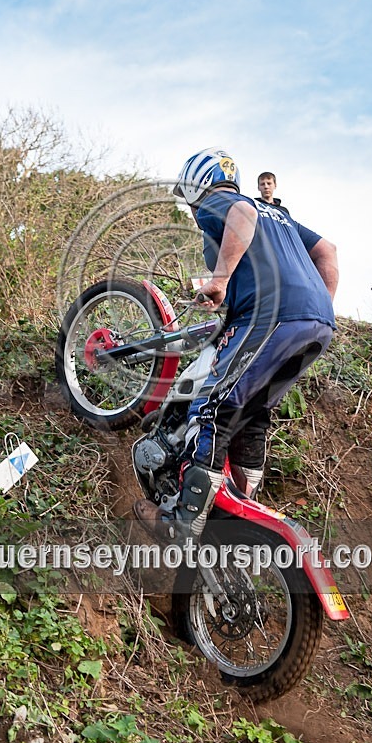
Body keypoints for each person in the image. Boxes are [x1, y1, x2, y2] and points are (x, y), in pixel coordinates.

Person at [134, 147, 338, 546]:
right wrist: (320, 303)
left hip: (271, 316)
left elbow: (241, 218)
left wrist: (221, 278)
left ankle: (182, 521)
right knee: (254, 413)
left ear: (198, 184)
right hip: (317, 324)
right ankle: (239, 507)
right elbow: (327, 251)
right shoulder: (279, 216)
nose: (193, 211)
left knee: (212, 408)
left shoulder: (222, 202)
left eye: (188, 197)